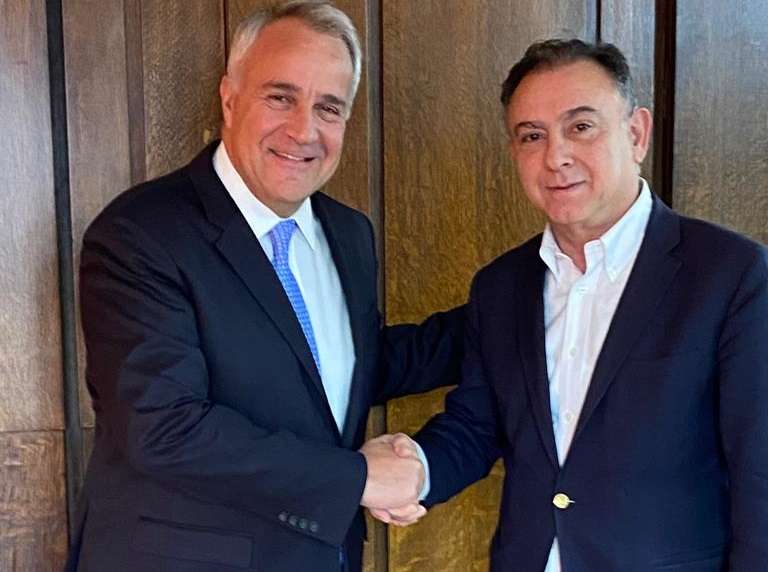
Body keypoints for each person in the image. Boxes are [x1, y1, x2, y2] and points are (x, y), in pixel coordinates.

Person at [65, 2, 462, 571]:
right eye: (280, 97)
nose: (304, 129)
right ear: (230, 99)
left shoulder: (349, 233)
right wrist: (358, 478)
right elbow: (164, 427)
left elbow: (344, 370)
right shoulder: (141, 233)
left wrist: (516, 308)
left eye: (329, 107)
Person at [379, 39, 768, 570]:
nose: (555, 156)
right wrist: (416, 470)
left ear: (636, 134)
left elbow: (759, 474)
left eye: (581, 127)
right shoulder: (501, 286)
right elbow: (476, 426)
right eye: (532, 136)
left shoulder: (732, 275)